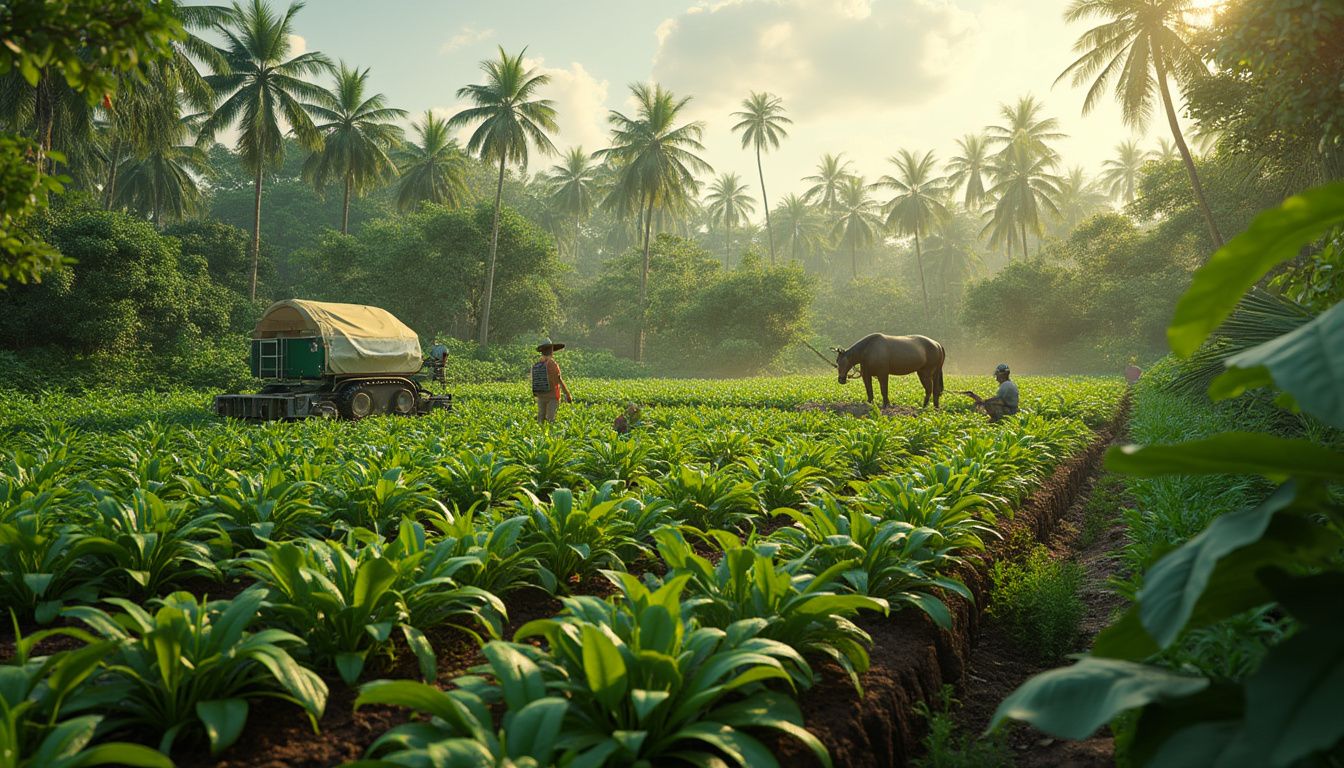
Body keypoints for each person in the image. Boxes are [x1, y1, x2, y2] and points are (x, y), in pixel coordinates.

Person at [531, 338, 571, 425]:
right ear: (551, 351)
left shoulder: (538, 364)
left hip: (540, 396)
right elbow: (559, 379)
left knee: (540, 419)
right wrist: (567, 394)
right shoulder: (552, 364)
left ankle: (539, 433)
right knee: (550, 420)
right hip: (552, 397)